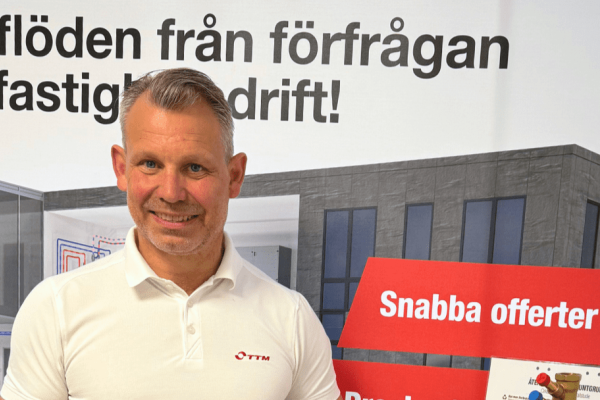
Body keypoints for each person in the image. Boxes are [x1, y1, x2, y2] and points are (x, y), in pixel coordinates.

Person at [1, 68, 342, 400]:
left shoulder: (293, 320)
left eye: (195, 167)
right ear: (122, 168)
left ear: (234, 176)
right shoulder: (55, 309)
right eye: (150, 164)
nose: (171, 193)